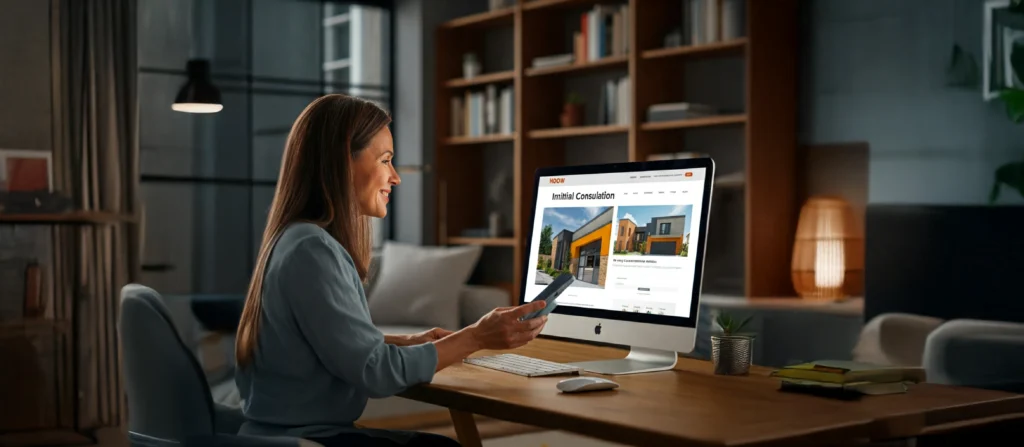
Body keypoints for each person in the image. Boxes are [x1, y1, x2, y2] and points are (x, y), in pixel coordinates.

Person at [233, 94, 548, 447]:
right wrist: (475, 337)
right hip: (308, 440)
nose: (395, 177)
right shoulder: (312, 249)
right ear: (342, 163)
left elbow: (322, 342)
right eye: (385, 160)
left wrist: (403, 342)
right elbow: (375, 373)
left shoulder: (295, 238)